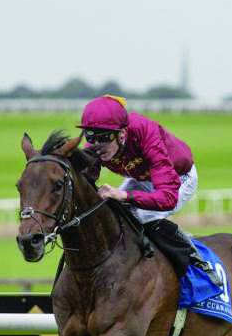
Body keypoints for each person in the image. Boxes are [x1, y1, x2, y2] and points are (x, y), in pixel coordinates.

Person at [78, 95, 222, 288]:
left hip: (177, 178)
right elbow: (86, 182)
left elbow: (168, 198)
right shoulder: (97, 146)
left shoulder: (145, 132)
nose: (97, 145)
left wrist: (125, 196)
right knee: (112, 213)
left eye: (103, 138)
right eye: (90, 137)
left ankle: (192, 252)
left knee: (144, 216)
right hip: (141, 178)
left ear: (121, 134)